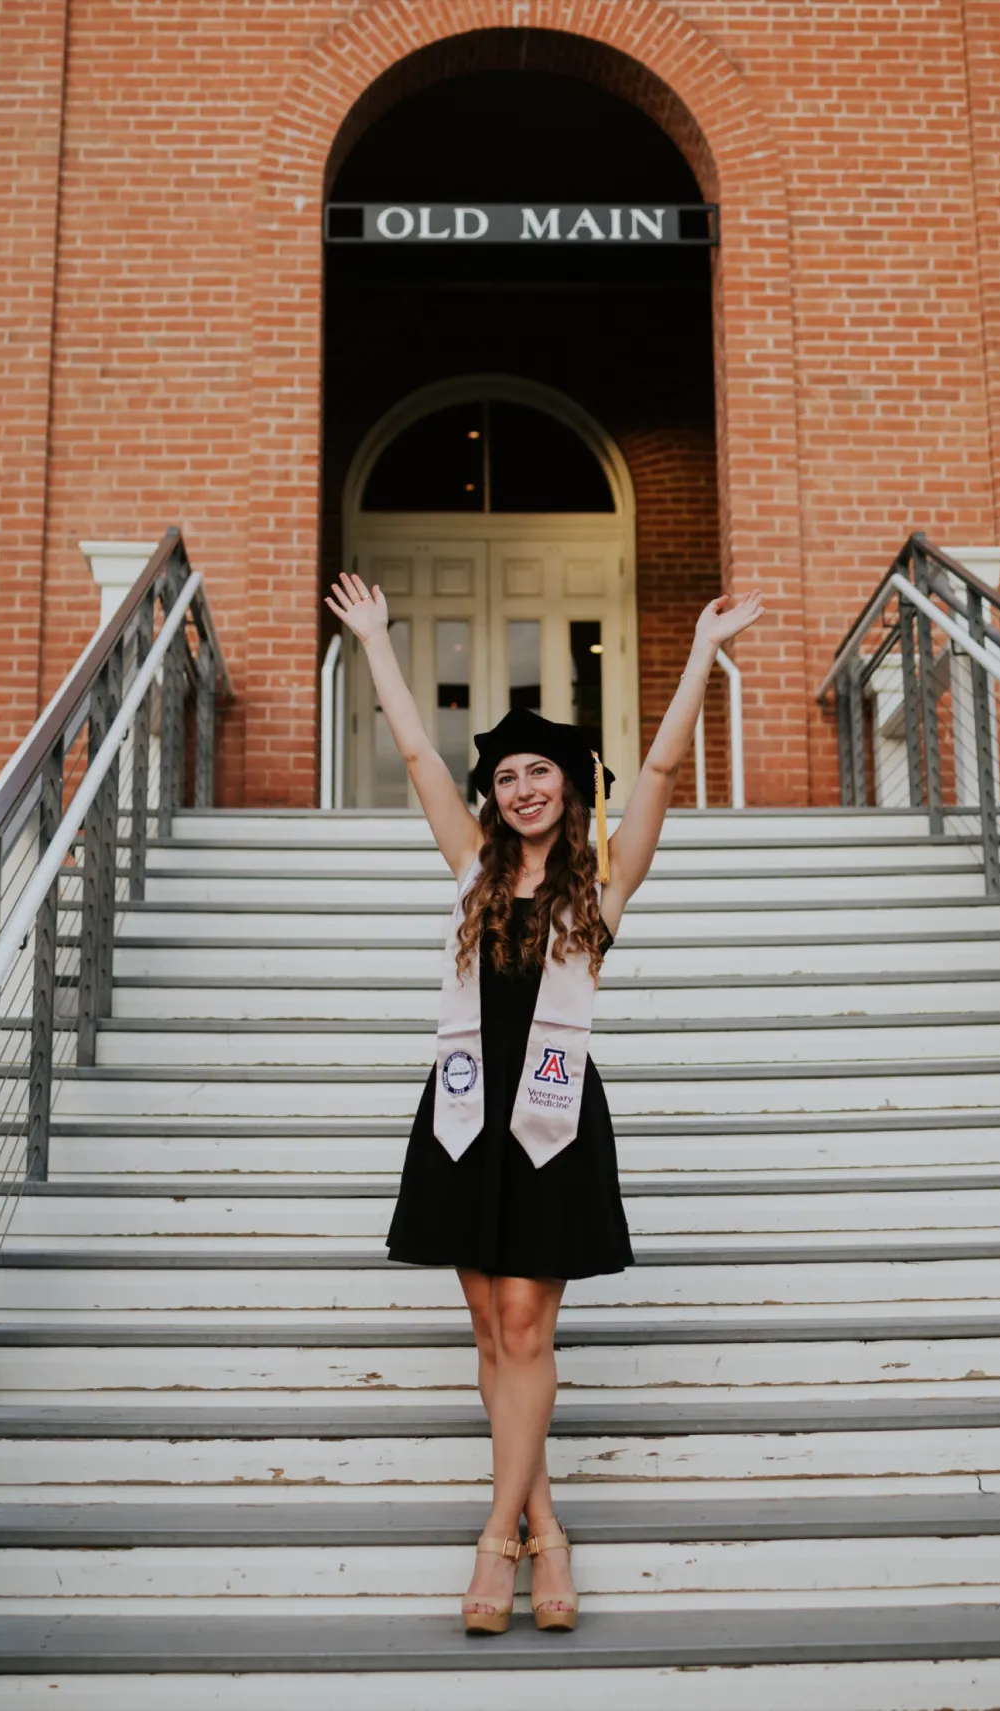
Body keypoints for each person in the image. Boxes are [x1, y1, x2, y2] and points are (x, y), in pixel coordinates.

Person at [325, 571, 765, 1635]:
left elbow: (660, 767)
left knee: (525, 1322)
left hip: (553, 1120)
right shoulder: (471, 868)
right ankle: (547, 1523)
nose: (523, 788)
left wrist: (703, 651)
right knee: (489, 1327)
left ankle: (493, 1537)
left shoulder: (601, 887)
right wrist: (379, 640)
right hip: (466, 1111)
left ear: (572, 786)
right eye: (509, 775)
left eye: (543, 772)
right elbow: (419, 751)